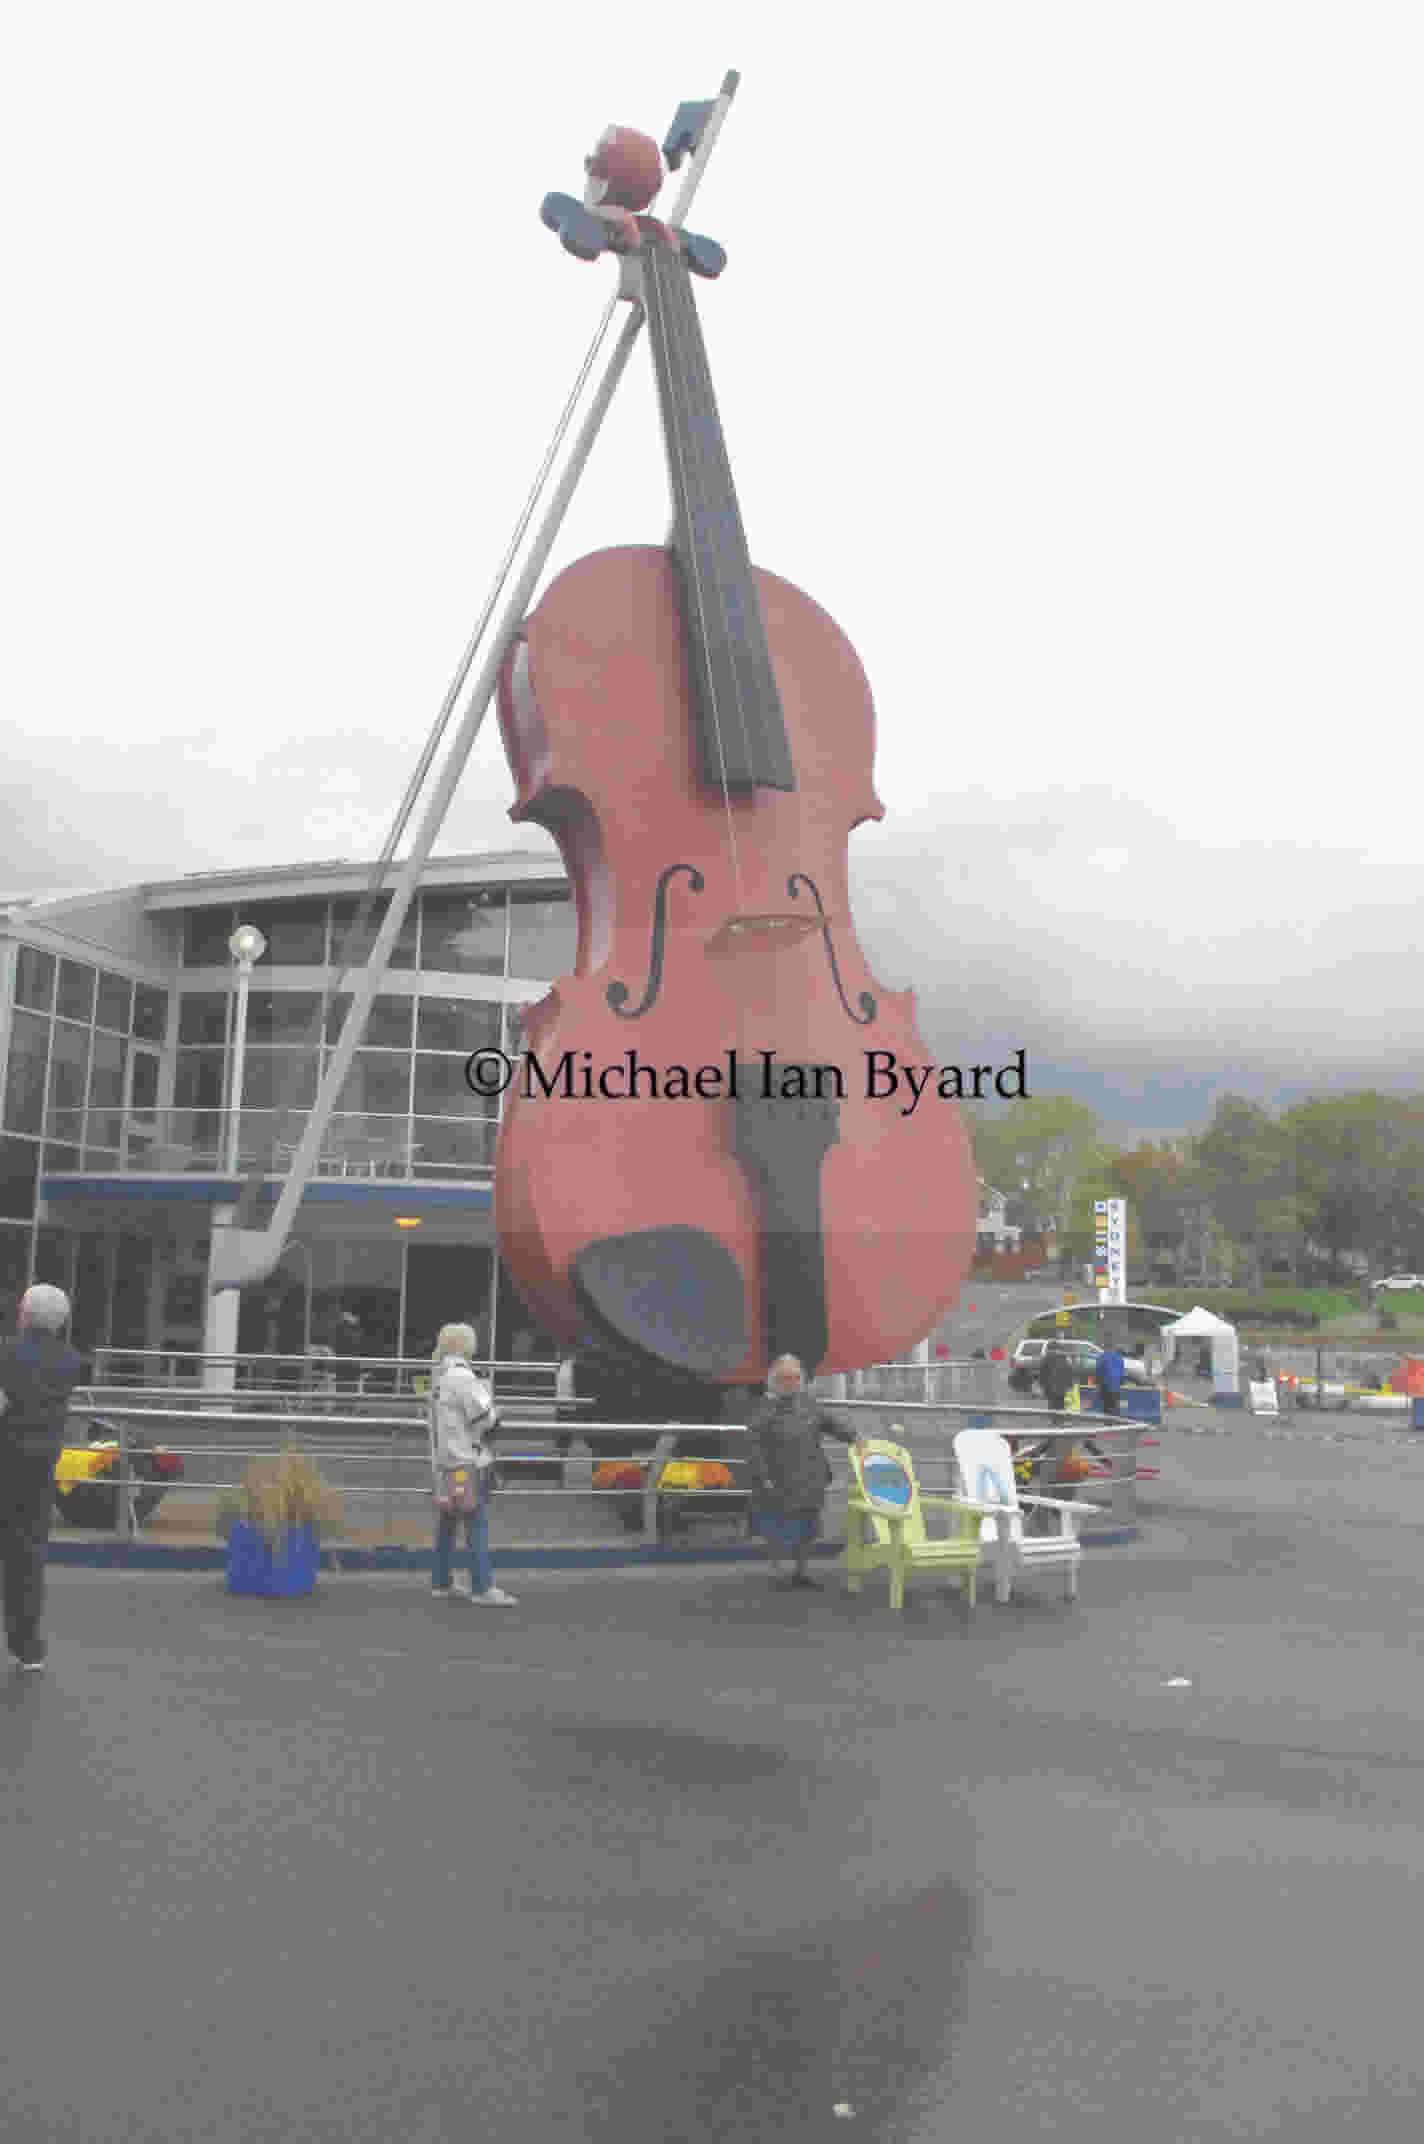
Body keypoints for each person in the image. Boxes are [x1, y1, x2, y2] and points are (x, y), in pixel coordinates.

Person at [0, 1285, 88, 1672]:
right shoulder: (71, 1360)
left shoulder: (6, 1352)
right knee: (28, 1558)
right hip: (39, 1470)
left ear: (24, 1314)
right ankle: (27, 1647)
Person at [744, 1354, 864, 1590]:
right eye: (785, 1378)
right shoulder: (763, 1409)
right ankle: (779, 1573)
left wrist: (855, 1437)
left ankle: (801, 1571)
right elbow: (753, 1446)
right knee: (776, 1528)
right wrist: (762, 1476)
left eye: (796, 1377)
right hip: (776, 1480)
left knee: (807, 1528)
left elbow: (832, 1424)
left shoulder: (810, 1404)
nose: (791, 1382)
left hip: (810, 1477)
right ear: (774, 1381)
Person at [428, 1322, 517, 1606]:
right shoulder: (463, 1377)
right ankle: (482, 1587)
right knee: (476, 1520)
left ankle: (441, 1582)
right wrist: (498, 1411)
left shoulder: (439, 1377)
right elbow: (486, 1418)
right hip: (465, 1461)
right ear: (466, 1345)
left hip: (444, 1463)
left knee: (447, 1522)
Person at [1095, 1341, 1126, 1417]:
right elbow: (1122, 1373)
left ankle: (1107, 1420)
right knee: (1114, 1408)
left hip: (1106, 1387)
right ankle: (1114, 1420)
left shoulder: (1102, 1357)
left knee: (1106, 1408)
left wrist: (1097, 1383)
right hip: (1116, 1388)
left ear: (1104, 1347)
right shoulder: (1119, 1358)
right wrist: (1121, 1383)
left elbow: (1098, 1372)